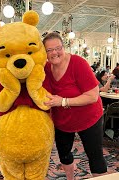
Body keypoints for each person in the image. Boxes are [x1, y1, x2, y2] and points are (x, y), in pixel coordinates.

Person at [42, 32, 107, 179]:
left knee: (95, 156)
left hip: (89, 118)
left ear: (63, 47)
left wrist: (63, 101)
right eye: (49, 50)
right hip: (62, 121)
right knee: (64, 154)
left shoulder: (78, 63)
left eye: (58, 48)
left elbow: (93, 96)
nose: (54, 53)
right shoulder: (46, 68)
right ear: (44, 53)